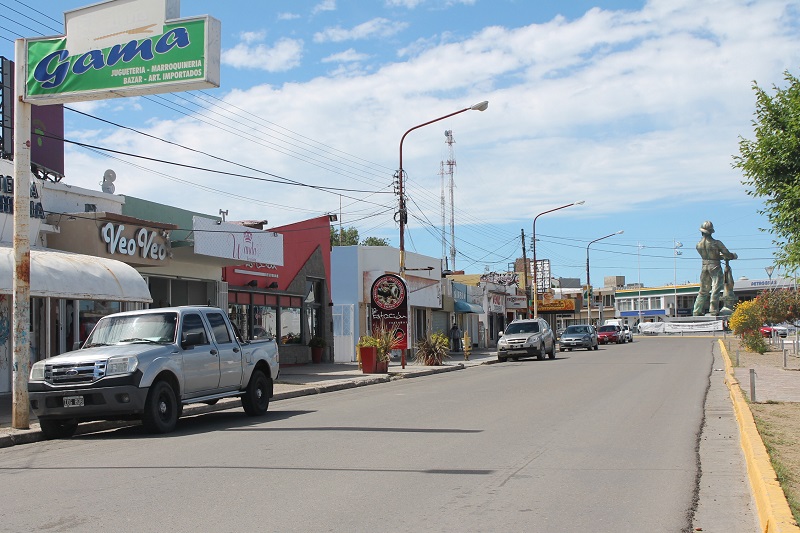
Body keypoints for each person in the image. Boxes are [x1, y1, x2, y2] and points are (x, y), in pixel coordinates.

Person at [692, 221, 737, 316]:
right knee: (716, 287)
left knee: (703, 289)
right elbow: (727, 254)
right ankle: (713, 309)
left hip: (704, 267)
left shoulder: (698, 245)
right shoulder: (716, 243)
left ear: (702, 232)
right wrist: (733, 256)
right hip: (715, 266)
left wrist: (718, 256)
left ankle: (697, 310)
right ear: (711, 231)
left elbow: (709, 256)